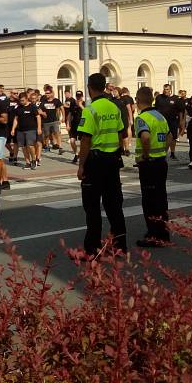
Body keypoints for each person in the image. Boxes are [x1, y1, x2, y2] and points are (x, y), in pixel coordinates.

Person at [76, 73, 127, 256]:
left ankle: (92, 249)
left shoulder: (90, 110)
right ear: (104, 86)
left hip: (95, 162)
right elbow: (121, 133)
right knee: (114, 205)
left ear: (90, 87)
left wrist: (81, 166)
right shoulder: (114, 107)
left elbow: (85, 141)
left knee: (92, 207)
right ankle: (120, 245)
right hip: (112, 160)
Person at [133, 86, 172, 248]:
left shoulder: (142, 118)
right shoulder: (160, 116)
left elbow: (146, 137)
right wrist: (163, 150)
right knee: (161, 200)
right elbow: (170, 137)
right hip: (161, 162)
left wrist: (146, 155)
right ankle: (164, 233)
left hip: (149, 165)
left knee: (149, 202)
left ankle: (154, 235)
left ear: (138, 100)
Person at [10, 91, 40, 170]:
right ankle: (27, 162)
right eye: (20, 100)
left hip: (31, 129)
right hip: (20, 130)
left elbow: (38, 117)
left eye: (23, 100)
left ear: (27, 99)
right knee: (23, 147)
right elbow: (16, 119)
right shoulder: (18, 108)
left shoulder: (32, 107)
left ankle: (34, 160)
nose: (22, 102)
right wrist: (13, 129)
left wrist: (39, 128)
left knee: (30, 145)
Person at [154, 84, 185, 160]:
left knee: (173, 137)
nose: (166, 91)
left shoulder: (175, 98)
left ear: (170, 90)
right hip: (161, 121)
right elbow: (156, 109)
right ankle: (162, 153)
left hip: (173, 121)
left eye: (167, 89)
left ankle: (172, 153)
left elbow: (181, 111)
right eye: (165, 89)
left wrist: (181, 121)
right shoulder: (159, 98)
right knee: (162, 137)